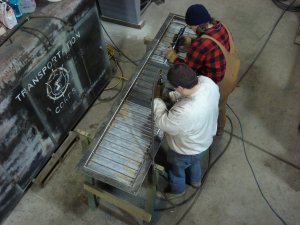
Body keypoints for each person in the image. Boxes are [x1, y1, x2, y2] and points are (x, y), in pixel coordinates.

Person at [165, 4, 239, 135]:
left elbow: (187, 70)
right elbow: (215, 44)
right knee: (221, 104)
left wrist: (174, 58)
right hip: (231, 73)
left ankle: (214, 129)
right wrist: (192, 41)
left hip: (218, 83)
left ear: (196, 25)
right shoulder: (220, 26)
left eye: (191, 26)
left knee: (213, 107)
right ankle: (220, 127)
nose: (191, 29)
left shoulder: (201, 44)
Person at [153, 64, 219, 198]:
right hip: (203, 143)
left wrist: (157, 100)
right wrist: (173, 95)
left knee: (176, 170)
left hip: (184, 150)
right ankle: (196, 181)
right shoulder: (209, 83)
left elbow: (162, 122)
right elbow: (188, 90)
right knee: (194, 162)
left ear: (180, 88)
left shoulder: (185, 111)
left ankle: (178, 190)